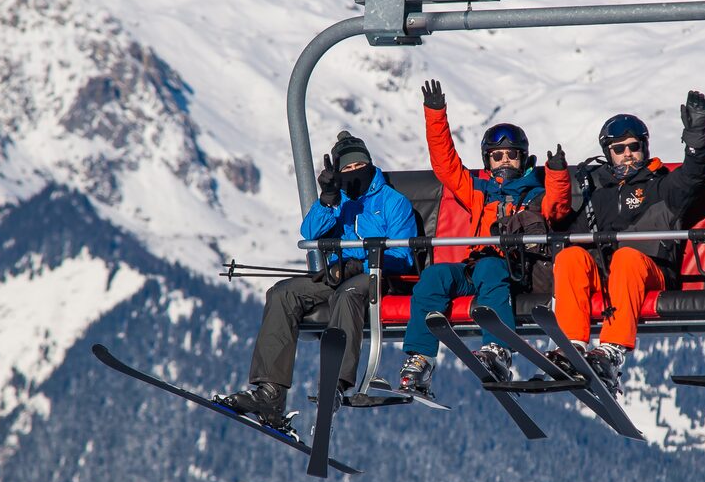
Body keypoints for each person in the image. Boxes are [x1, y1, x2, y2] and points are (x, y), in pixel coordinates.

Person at [226, 130, 418, 424]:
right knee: (282, 293)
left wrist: (359, 265)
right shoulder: (337, 201)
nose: (355, 172)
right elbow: (309, 232)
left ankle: (336, 383)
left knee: (349, 293)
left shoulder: (393, 202)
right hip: (338, 276)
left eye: (360, 166)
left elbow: (403, 257)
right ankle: (270, 394)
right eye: (348, 168)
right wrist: (327, 200)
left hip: (378, 277)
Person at [396, 80, 571, 395]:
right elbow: (445, 165)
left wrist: (557, 175)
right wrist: (435, 114)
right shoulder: (478, 190)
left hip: (518, 270)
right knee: (434, 277)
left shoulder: (535, 191)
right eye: (497, 156)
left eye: (511, 156)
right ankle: (420, 358)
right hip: (476, 266)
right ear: (487, 160)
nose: (504, 161)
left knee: (491, 268)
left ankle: (498, 350)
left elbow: (558, 209)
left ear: (523, 159)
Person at [551, 91, 705, 392]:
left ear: (644, 148)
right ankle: (572, 346)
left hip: (651, 273)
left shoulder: (663, 187)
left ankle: (611, 352)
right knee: (571, 257)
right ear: (608, 153)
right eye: (619, 149)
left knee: (626, 257)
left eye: (633, 147)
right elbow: (566, 233)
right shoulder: (598, 197)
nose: (627, 153)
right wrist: (556, 183)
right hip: (611, 279)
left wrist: (695, 137)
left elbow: (694, 176)